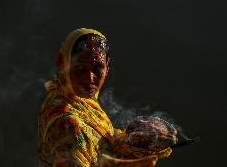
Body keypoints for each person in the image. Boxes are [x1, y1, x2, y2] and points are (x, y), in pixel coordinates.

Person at [38, 28, 172, 167]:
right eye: (80, 68)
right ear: (63, 63)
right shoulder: (66, 123)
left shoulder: (77, 98)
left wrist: (130, 141)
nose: (89, 77)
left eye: (97, 68)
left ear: (107, 68)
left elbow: (100, 141)